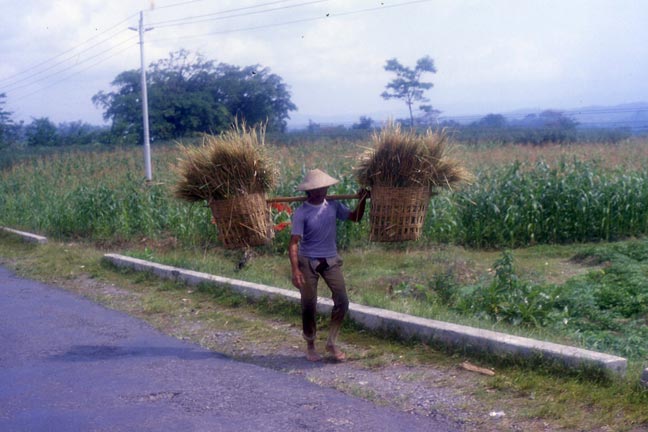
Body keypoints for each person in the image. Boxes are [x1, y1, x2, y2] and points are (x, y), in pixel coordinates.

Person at [288, 169, 369, 362]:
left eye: (323, 188)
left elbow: (355, 217)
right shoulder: (302, 212)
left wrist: (363, 200)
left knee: (342, 301)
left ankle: (332, 341)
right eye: (316, 189)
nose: (321, 191)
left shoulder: (333, 206)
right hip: (308, 260)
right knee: (309, 303)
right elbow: (293, 243)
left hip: (330, 259)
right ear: (309, 191)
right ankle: (310, 343)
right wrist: (296, 269)